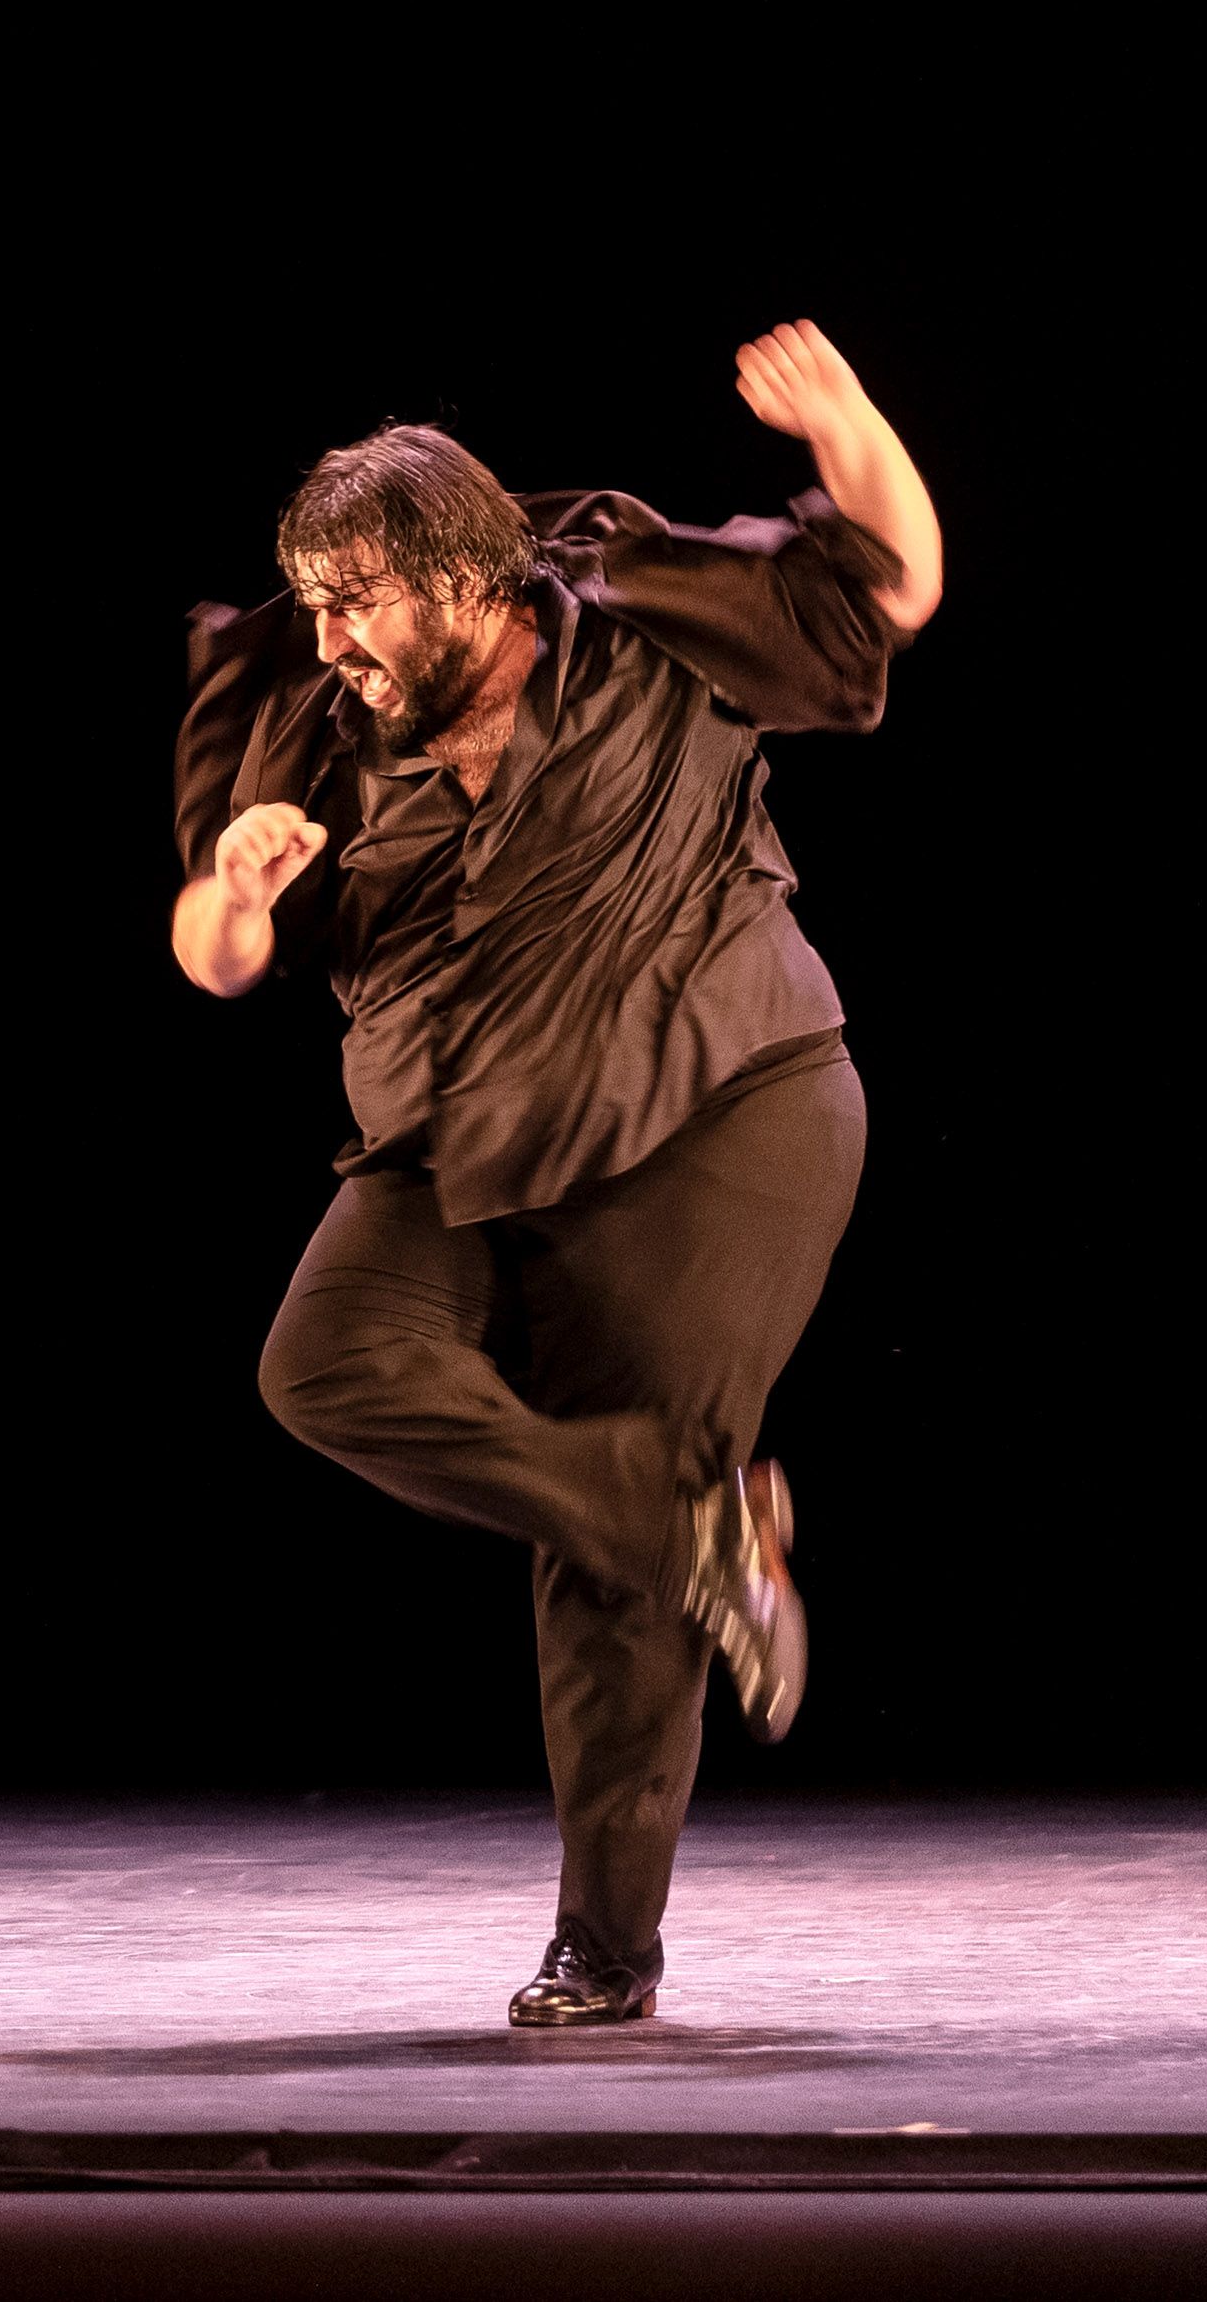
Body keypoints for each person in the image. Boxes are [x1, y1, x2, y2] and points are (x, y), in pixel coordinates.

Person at [173, 320, 945, 2027]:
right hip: (460, 1128)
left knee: (606, 1558)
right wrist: (238, 886)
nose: (333, 640)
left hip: (720, 1106)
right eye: (313, 603)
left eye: (362, 599)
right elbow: (214, 957)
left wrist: (850, 423)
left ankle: (606, 1943)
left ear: (462, 580)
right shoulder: (309, 720)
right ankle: (692, 1523)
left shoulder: (643, 630)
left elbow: (890, 587)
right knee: (326, 1366)